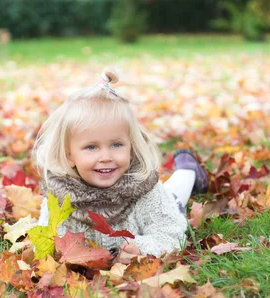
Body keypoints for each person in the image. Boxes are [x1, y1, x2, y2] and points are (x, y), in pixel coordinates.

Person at [32, 69, 209, 257]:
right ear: (69, 155)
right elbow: (44, 243)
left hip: (163, 203)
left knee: (174, 198)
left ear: (131, 148)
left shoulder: (145, 189)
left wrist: (141, 248)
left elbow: (171, 235)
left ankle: (189, 170)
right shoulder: (59, 196)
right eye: (91, 147)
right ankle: (187, 169)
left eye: (116, 144)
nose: (106, 156)